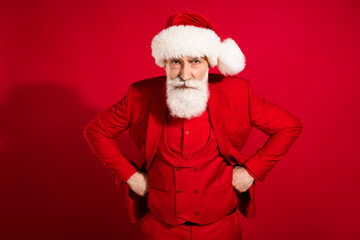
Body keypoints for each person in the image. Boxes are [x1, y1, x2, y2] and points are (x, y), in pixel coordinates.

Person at [84, 12, 303, 240]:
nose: (185, 74)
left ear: (209, 62)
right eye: (176, 62)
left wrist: (251, 171)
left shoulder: (239, 93)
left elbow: (289, 126)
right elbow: (96, 130)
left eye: (195, 61)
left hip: (221, 229)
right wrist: (130, 176)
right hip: (161, 229)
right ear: (165, 63)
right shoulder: (139, 95)